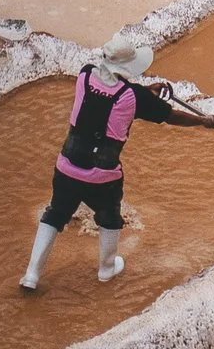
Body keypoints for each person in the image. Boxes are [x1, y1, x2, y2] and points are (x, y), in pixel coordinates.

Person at [20, 35, 198, 292]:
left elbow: (109, 95)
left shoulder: (84, 75)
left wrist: (147, 91)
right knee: (109, 217)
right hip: (101, 176)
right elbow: (171, 116)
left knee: (55, 214)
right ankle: (106, 269)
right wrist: (205, 122)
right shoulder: (133, 96)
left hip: (67, 168)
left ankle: (31, 275)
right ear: (128, 67)